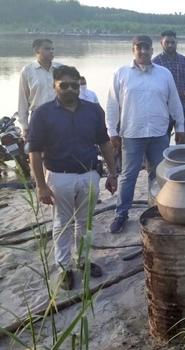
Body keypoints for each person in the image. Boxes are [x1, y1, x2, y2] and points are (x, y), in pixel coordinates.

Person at [28, 65, 118, 290]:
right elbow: (34, 152)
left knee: (86, 223)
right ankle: (64, 268)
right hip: (59, 177)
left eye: (74, 85)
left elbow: (104, 142)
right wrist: (41, 186)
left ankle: (83, 261)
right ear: (54, 86)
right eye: (64, 85)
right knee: (62, 224)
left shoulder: (94, 110)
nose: (69, 89)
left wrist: (113, 173)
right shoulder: (43, 113)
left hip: (89, 175)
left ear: (80, 85)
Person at [106, 35, 185, 234]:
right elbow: (112, 105)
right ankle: (121, 214)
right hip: (132, 133)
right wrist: (112, 131)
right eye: (138, 47)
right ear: (133, 50)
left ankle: (158, 209)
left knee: (158, 175)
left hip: (159, 133)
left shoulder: (164, 74)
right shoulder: (121, 73)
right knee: (128, 176)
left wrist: (181, 126)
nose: (142, 51)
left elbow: (174, 101)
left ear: (152, 49)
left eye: (146, 47)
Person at [152, 30, 185, 141]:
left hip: (183, 106)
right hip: (162, 110)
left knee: (182, 142)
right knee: (161, 142)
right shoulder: (155, 63)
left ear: (177, 42)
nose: (170, 45)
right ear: (161, 43)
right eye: (167, 42)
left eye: (173, 42)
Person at [17, 38, 61, 137]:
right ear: (37, 50)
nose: (51, 51)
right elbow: (23, 100)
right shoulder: (27, 71)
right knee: (38, 150)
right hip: (38, 117)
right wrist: (24, 126)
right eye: (47, 49)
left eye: (52, 49)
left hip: (60, 115)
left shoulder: (61, 69)